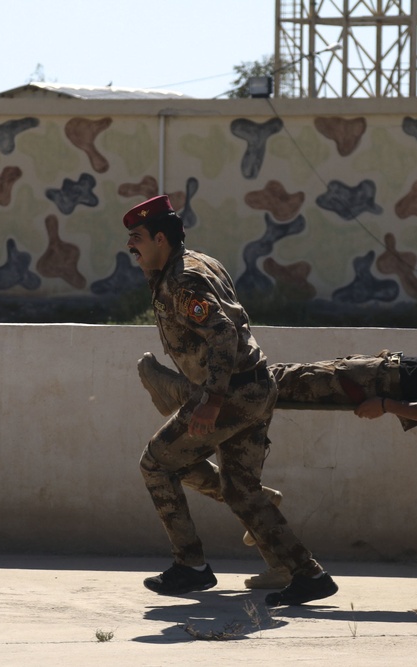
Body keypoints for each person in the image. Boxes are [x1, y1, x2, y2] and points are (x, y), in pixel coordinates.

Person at [140, 344, 417, 588]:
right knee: (270, 394)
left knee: (267, 381)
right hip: (372, 371)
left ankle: (184, 392)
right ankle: (282, 565)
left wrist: (387, 406)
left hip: (369, 381)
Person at [124, 194, 338, 607]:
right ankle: (309, 574)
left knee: (156, 463)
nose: (130, 246)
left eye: (137, 237)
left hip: (232, 391)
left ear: (161, 239)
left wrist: (211, 400)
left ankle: (191, 566)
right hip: (255, 386)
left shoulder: (182, 280)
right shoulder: (198, 263)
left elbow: (223, 334)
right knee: (240, 489)